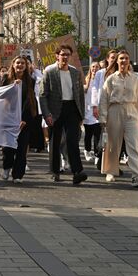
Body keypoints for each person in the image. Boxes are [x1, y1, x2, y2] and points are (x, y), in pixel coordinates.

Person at [98, 50, 138, 187]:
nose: (124, 61)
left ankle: (137, 176)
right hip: (115, 110)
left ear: (129, 61)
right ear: (117, 61)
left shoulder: (135, 79)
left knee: (133, 144)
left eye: (126, 58)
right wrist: (103, 118)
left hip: (131, 111)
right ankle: (110, 171)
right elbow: (103, 99)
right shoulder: (111, 79)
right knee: (113, 144)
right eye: (121, 58)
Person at [39, 44, 87, 184]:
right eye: (62, 54)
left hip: (72, 109)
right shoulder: (50, 71)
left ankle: (77, 171)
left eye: (67, 54)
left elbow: (79, 95)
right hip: (55, 110)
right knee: (55, 141)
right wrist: (46, 114)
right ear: (57, 56)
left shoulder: (75, 72)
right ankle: (55, 171)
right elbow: (43, 95)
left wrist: (81, 115)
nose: (65, 57)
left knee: (72, 140)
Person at [1, 56, 37, 183]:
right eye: (18, 63)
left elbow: (30, 102)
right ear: (13, 64)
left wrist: (24, 119)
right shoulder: (6, 78)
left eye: (23, 63)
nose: (20, 65)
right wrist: (13, 87)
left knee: (22, 148)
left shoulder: (31, 81)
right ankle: (6, 167)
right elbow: (2, 98)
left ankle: (18, 175)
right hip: (9, 119)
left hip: (25, 119)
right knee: (8, 147)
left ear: (26, 66)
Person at [83, 61, 101, 162]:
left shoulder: (101, 79)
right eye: (93, 67)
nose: (95, 69)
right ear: (90, 68)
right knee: (88, 133)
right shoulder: (86, 80)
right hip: (87, 110)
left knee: (97, 133)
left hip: (97, 110)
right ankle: (87, 150)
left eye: (97, 67)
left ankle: (96, 153)